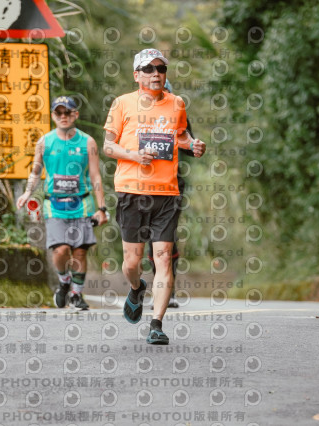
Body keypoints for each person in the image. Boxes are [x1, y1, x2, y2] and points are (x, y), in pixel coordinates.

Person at [103, 48, 206, 344]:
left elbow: (181, 135)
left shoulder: (177, 103)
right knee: (131, 262)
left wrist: (193, 145)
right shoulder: (122, 103)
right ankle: (137, 288)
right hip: (131, 191)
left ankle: (156, 324)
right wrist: (134, 155)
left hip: (166, 192)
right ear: (137, 75)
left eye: (161, 68)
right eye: (148, 69)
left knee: (163, 258)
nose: (156, 74)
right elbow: (108, 146)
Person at [17, 96, 108, 310]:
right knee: (60, 250)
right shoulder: (44, 142)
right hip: (55, 205)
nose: (63, 116)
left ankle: (76, 294)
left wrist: (102, 208)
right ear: (53, 116)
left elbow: (95, 175)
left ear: (75, 115)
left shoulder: (87, 142)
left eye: (68, 112)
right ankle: (64, 281)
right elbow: (36, 171)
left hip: (82, 204)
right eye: (59, 113)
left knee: (79, 251)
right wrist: (28, 192)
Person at [147, 80, 195, 309]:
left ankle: (168, 290)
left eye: (165, 92)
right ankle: (141, 286)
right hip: (139, 187)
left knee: (165, 241)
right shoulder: (134, 114)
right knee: (145, 242)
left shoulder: (177, 114)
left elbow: (190, 146)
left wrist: (195, 145)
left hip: (171, 185)